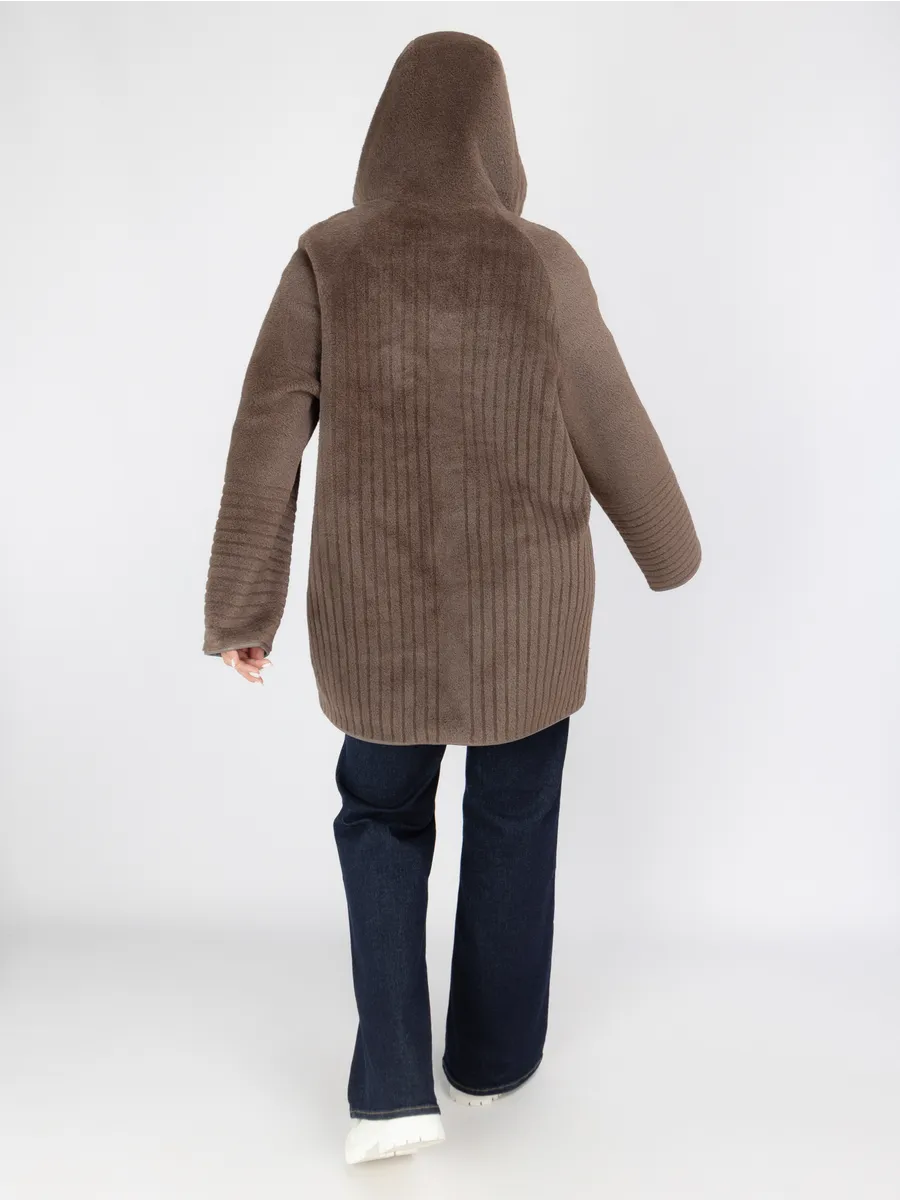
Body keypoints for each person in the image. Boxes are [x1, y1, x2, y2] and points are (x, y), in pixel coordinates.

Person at [201, 30, 701, 1165]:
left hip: (375, 622)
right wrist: (670, 552)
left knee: (381, 819)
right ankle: (490, 1060)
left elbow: (265, 430)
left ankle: (389, 1092)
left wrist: (243, 611)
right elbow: (611, 419)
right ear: (494, 137)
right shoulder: (541, 260)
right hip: (528, 619)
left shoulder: (327, 257)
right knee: (515, 822)